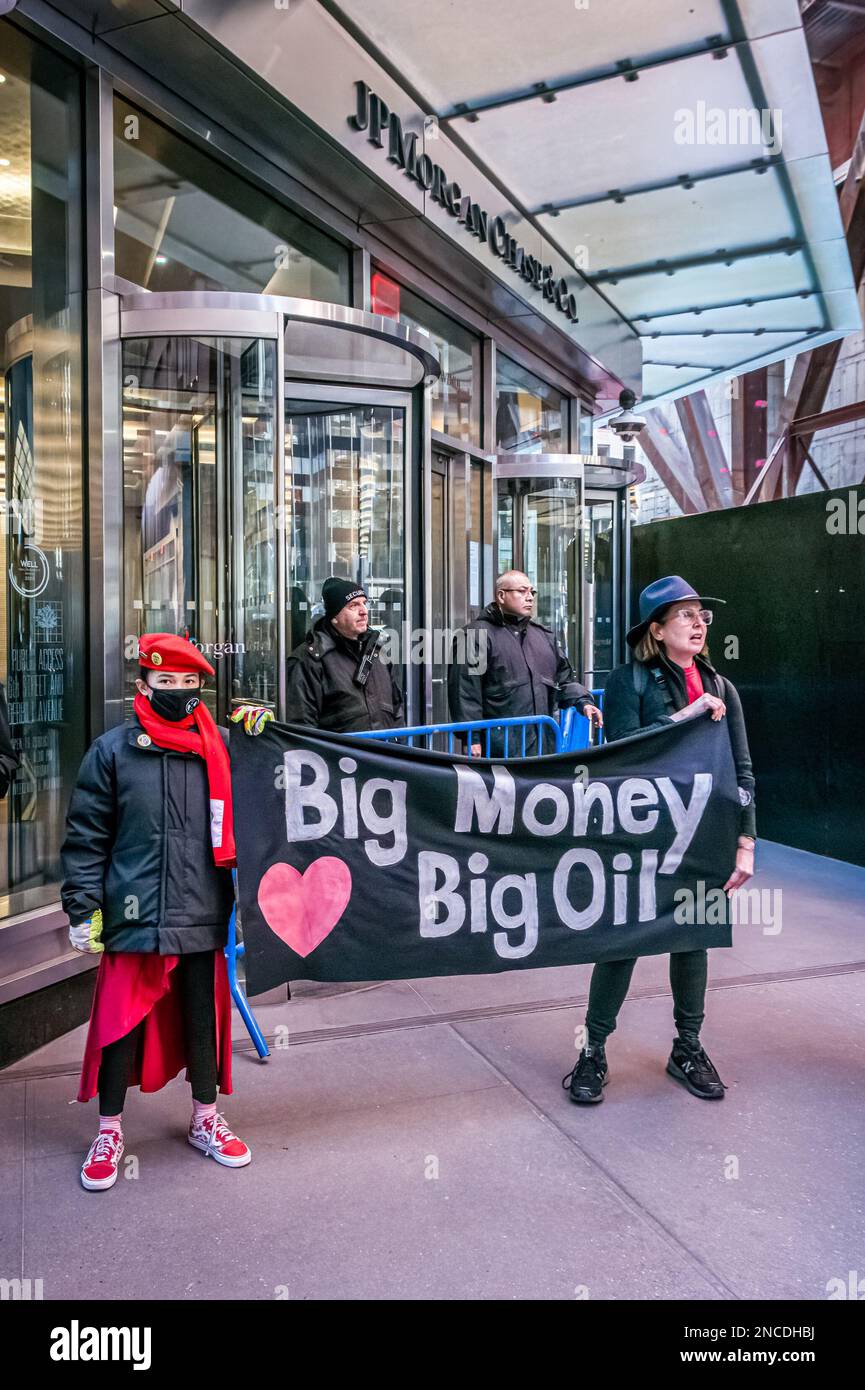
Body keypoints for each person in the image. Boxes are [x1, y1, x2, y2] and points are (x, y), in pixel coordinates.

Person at [61, 634, 269, 1192]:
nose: (178, 692)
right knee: (119, 1025)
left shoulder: (224, 747)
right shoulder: (111, 751)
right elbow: (86, 837)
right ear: (143, 685)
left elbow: (275, 797)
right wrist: (83, 908)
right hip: (132, 908)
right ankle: (108, 1131)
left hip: (202, 905)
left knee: (202, 1019)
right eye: (166, 683)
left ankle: (206, 1118)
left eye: (189, 683)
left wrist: (265, 740)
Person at [562, 575, 756, 1107]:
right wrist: (684, 719)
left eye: (702, 616)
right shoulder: (632, 681)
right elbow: (622, 755)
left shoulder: (723, 687)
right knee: (622, 942)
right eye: (686, 615)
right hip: (642, 840)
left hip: (705, 838)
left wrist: (746, 841)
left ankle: (687, 1048)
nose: (698, 624)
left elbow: (742, 770)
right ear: (657, 628)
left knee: (693, 942)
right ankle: (592, 1049)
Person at [448, 570, 602, 755]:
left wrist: (583, 702)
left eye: (532, 592)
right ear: (501, 595)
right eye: (522, 591)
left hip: (542, 746)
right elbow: (465, 692)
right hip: (498, 749)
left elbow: (564, 681)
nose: (529, 597)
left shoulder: (544, 637)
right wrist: (472, 739)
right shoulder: (474, 636)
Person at [285, 576, 403, 732]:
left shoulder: (378, 653)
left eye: (364, 603)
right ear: (334, 616)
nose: (363, 611)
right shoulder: (309, 660)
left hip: (382, 754)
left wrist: (398, 751)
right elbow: (302, 728)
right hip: (338, 756)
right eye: (353, 605)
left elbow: (397, 712)